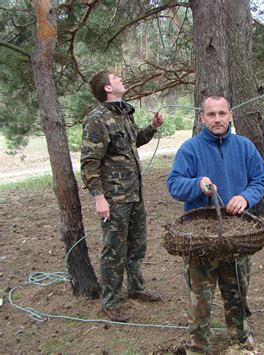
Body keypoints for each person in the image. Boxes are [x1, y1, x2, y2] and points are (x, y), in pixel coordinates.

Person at [167, 94, 264, 354]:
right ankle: (197, 348)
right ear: (202, 118)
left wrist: (245, 197)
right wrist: (197, 184)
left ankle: (240, 341)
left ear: (231, 115)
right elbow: (174, 184)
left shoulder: (245, 147)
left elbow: (260, 178)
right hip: (200, 239)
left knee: (237, 294)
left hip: (237, 235)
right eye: (211, 114)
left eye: (222, 113)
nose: (217, 119)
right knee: (200, 300)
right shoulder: (190, 149)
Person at [81, 70, 164, 322]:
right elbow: (88, 162)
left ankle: (136, 289)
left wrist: (152, 127)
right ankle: (110, 302)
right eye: (116, 78)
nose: (121, 80)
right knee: (114, 250)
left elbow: (134, 141)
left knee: (137, 246)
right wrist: (98, 197)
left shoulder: (123, 114)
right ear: (107, 88)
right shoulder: (97, 119)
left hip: (134, 195)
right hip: (115, 199)